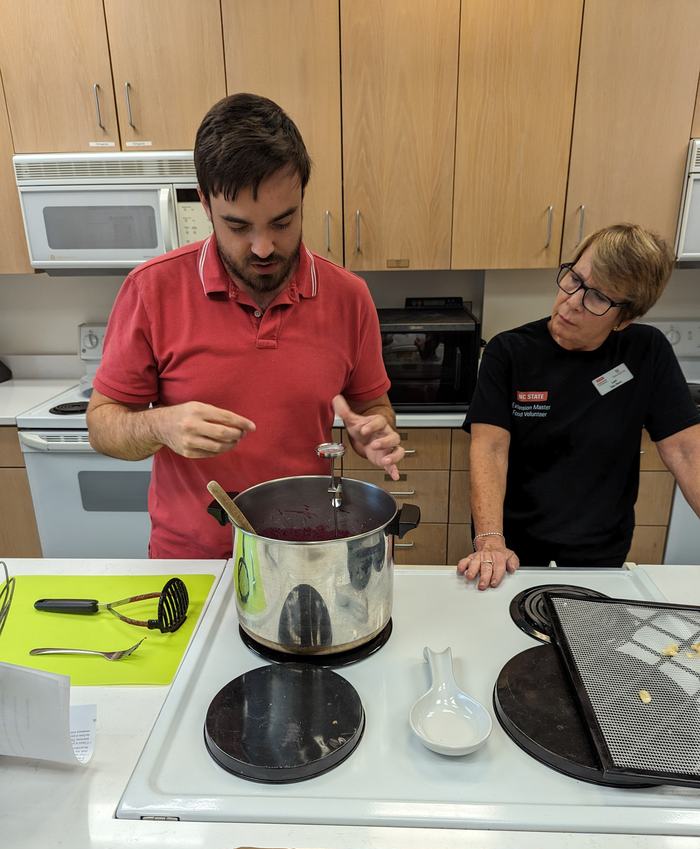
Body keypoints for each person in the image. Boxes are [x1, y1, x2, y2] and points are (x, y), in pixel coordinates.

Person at [87, 93, 404, 559]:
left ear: (301, 199)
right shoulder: (151, 290)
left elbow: (374, 405)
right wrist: (162, 424)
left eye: (283, 221)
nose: (262, 247)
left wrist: (374, 430)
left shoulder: (348, 297)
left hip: (302, 551)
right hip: (189, 558)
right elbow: (102, 426)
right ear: (206, 205)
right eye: (238, 227)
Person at [458, 223, 700, 591]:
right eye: (574, 279)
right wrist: (490, 539)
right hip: (511, 548)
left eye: (598, 298)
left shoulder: (647, 351)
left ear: (625, 318)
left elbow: (686, 451)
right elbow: (490, 449)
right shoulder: (509, 352)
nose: (572, 301)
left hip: (600, 550)